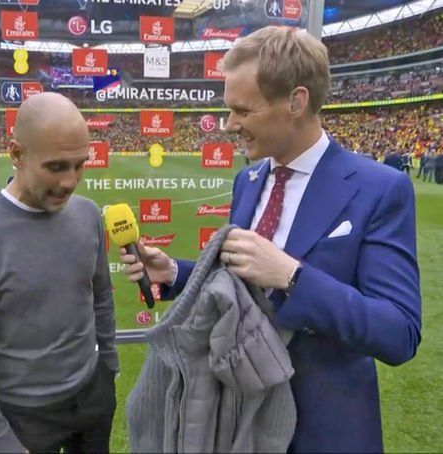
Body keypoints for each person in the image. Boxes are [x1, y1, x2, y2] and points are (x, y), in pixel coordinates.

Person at [119, 26, 421, 453]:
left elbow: (399, 332)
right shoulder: (248, 180)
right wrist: (173, 273)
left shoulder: (380, 189)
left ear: (296, 102)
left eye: (243, 110)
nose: (229, 125)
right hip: (238, 423)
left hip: (322, 432)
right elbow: (242, 288)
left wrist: (294, 277)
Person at [0, 92, 118, 454]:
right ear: (17, 154)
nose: (70, 181)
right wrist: (0, 442)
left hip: (92, 396)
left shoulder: (88, 215)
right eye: (56, 167)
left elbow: (100, 295)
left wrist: (107, 367)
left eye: (79, 165)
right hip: (24, 420)